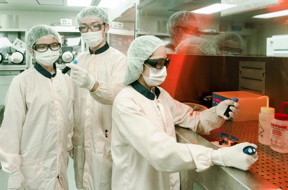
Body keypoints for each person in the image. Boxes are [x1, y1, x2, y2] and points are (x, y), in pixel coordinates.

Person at [111, 35, 258, 190]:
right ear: (138, 64)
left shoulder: (159, 94)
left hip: (162, 182)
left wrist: (216, 112)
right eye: (158, 64)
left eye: (166, 62)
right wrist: (218, 156)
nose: (163, 69)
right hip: (136, 184)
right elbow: (159, 150)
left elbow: (191, 118)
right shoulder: (126, 102)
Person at [0, 25, 74, 189]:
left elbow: (68, 116)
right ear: (32, 50)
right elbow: (11, 128)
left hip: (59, 162)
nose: (49, 50)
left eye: (54, 45)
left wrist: (69, 143)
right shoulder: (22, 82)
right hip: (33, 165)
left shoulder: (65, 80)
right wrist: (13, 170)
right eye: (41, 46)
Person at [65, 6, 126, 190]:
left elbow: (117, 95)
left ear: (106, 27)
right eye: (83, 27)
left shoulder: (119, 60)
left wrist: (93, 84)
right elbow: (70, 101)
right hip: (81, 139)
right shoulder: (78, 60)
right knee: (81, 182)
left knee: (104, 183)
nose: (89, 31)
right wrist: (69, 136)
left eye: (94, 26)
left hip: (105, 136)